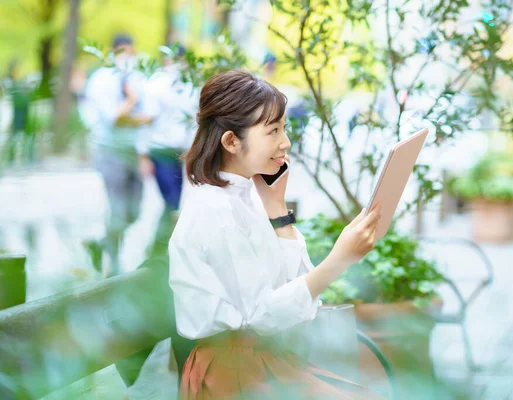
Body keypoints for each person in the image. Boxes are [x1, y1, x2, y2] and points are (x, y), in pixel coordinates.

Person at [169, 70, 384, 399]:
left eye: (283, 128)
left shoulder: (244, 196)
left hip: (261, 359)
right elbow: (264, 315)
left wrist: (277, 209)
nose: (285, 142)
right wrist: (340, 259)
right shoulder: (216, 212)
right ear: (231, 141)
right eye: (273, 131)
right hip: (232, 373)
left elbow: (287, 292)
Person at [81, 34, 155, 277]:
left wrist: (130, 116)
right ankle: (113, 263)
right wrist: (131, 101)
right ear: (113, 53)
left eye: (131, 52)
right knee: (118, 209)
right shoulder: (101, 80)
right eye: (123, 52)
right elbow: (113, 118)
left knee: (135, 212)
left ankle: (101, 244)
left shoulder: (137, 78)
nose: (128, 57)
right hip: (109, 152)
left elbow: (149, 116)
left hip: (133, 153)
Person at [137, 45, 198, 258]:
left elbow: (193, 122)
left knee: (173, 203)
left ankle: (159, 251)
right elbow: (147, 121)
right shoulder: (155, 84)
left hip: (178, 152)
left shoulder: (190, 86)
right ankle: (159, 251)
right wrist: (143, 155)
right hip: (159, 151)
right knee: (171, 202)